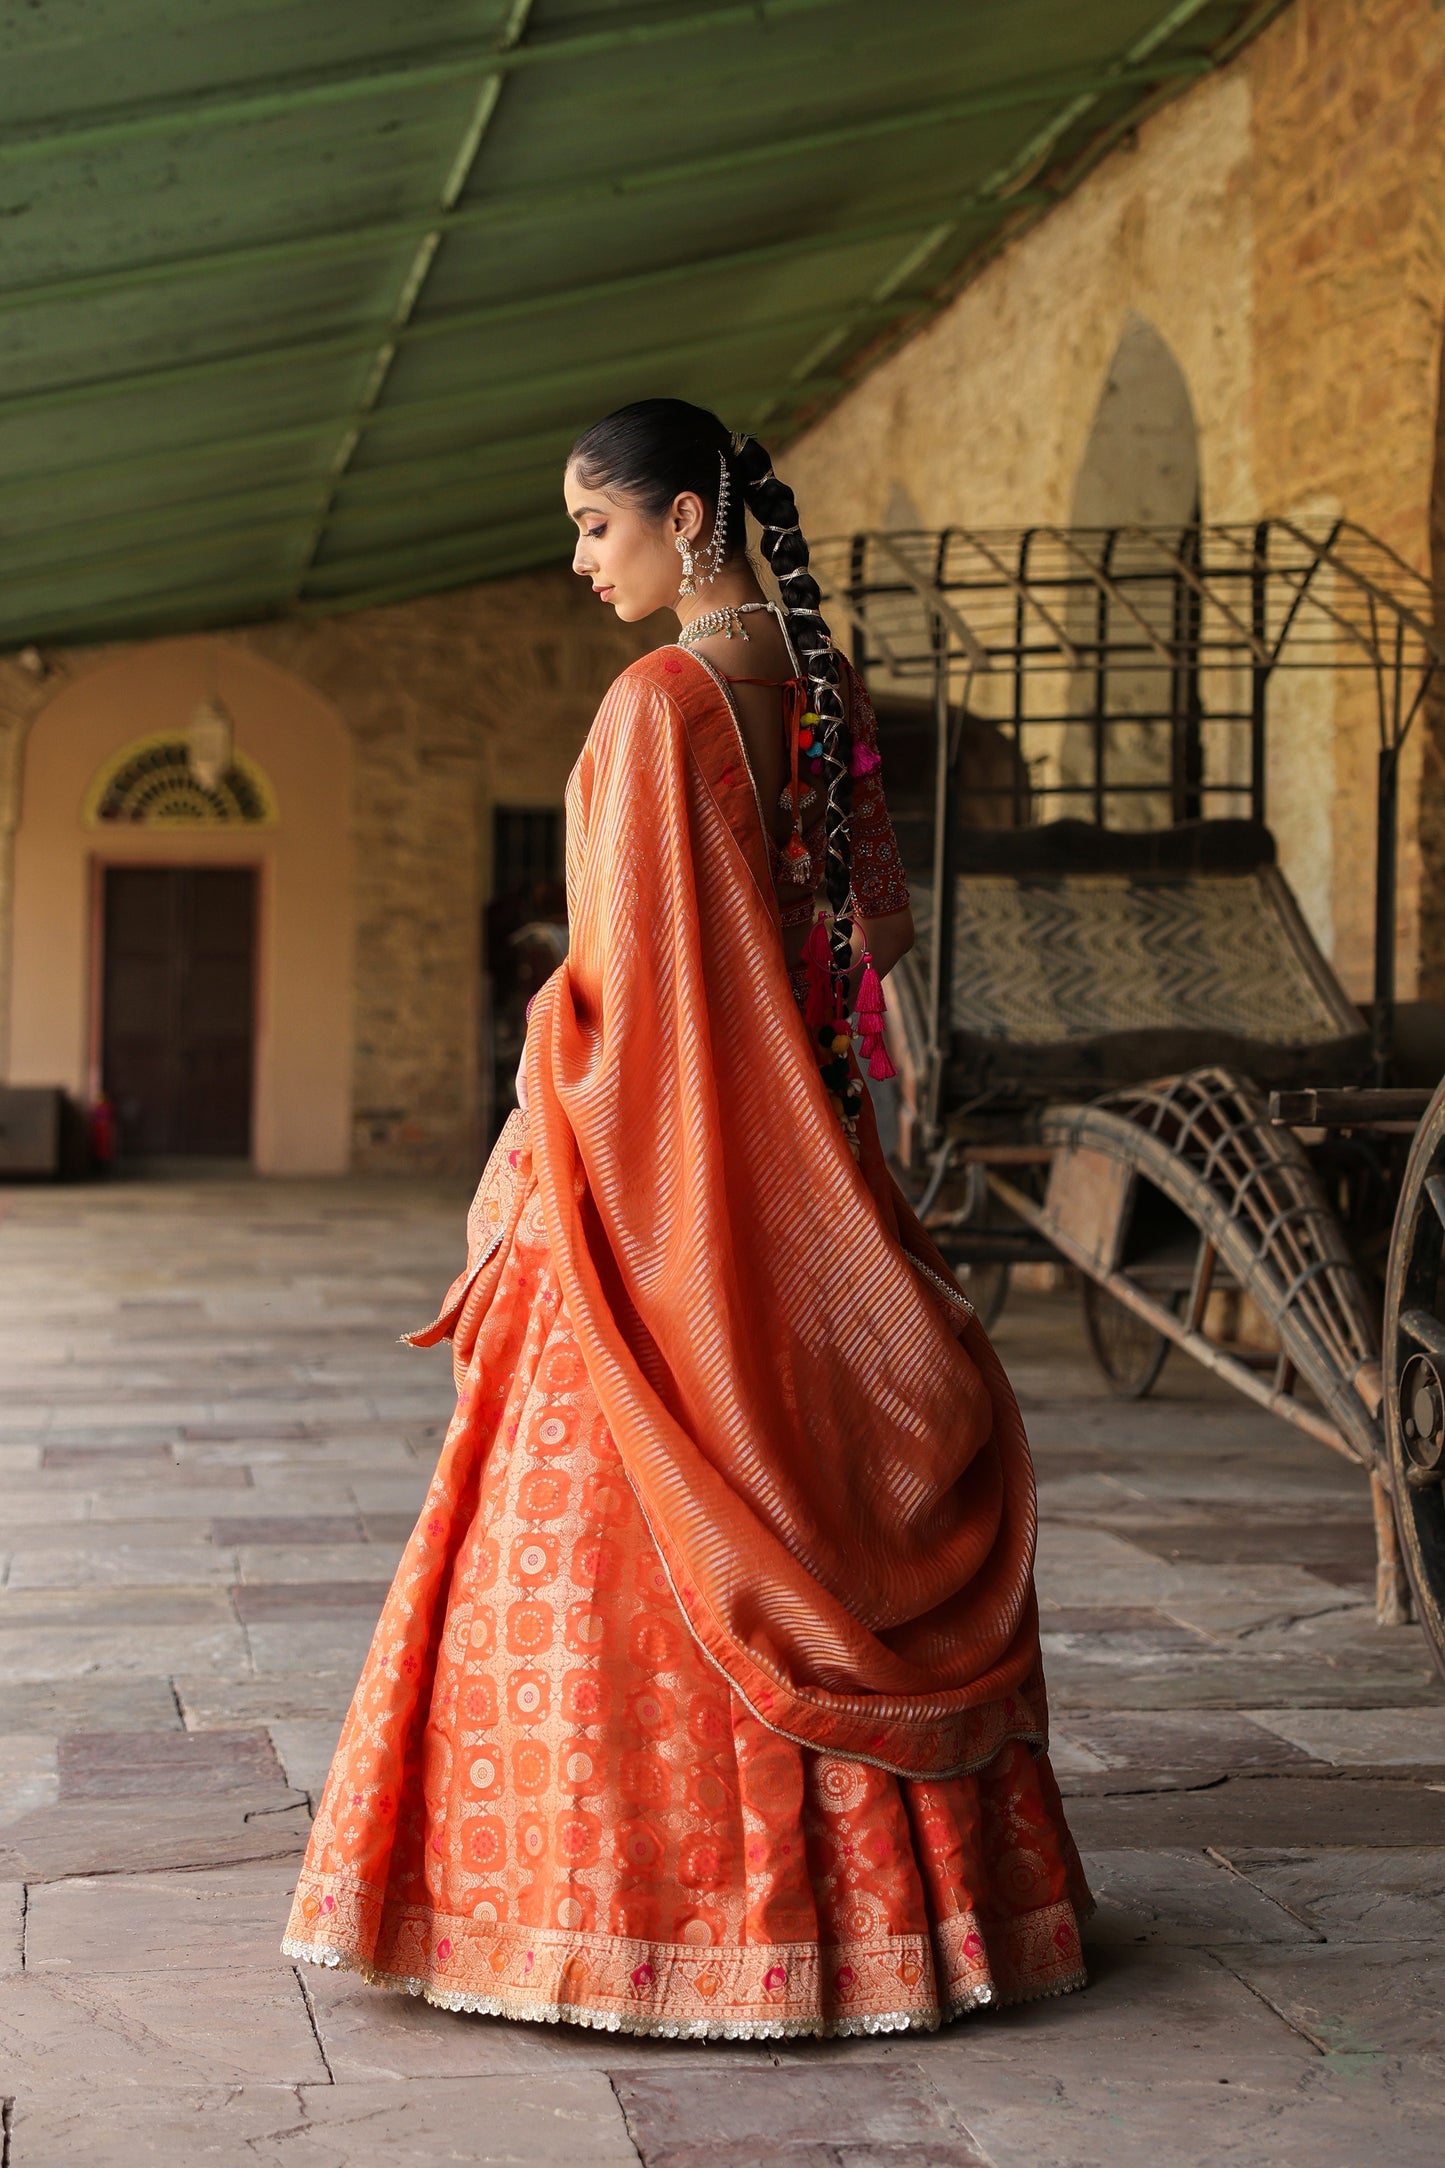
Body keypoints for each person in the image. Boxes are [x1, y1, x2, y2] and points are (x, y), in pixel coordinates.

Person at [283, 399, 1090, 2039]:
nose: (581, 560)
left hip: (678, 1193)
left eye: (598, 525)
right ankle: (918, 1923)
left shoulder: (661, 704)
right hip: (810, 1175)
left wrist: (537, 1097)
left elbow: (634, 999)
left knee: (621, 1531)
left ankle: (625, 1926)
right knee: (822, 1487)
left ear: (692, 519)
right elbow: (864, 948)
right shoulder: (820, 692)